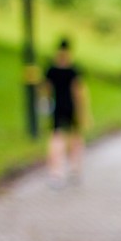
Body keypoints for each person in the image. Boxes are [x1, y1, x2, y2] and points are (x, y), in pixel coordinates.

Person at [42, 38, 90, 188]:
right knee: (75, 138)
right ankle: (75, 169)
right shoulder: (73, 70)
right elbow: (79, 92)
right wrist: (84, 112)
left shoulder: (51, 69)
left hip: (57, 108)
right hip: (71, 108)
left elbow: (46, 89)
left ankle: (56, 173)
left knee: (56, 138)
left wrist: (46, 102)